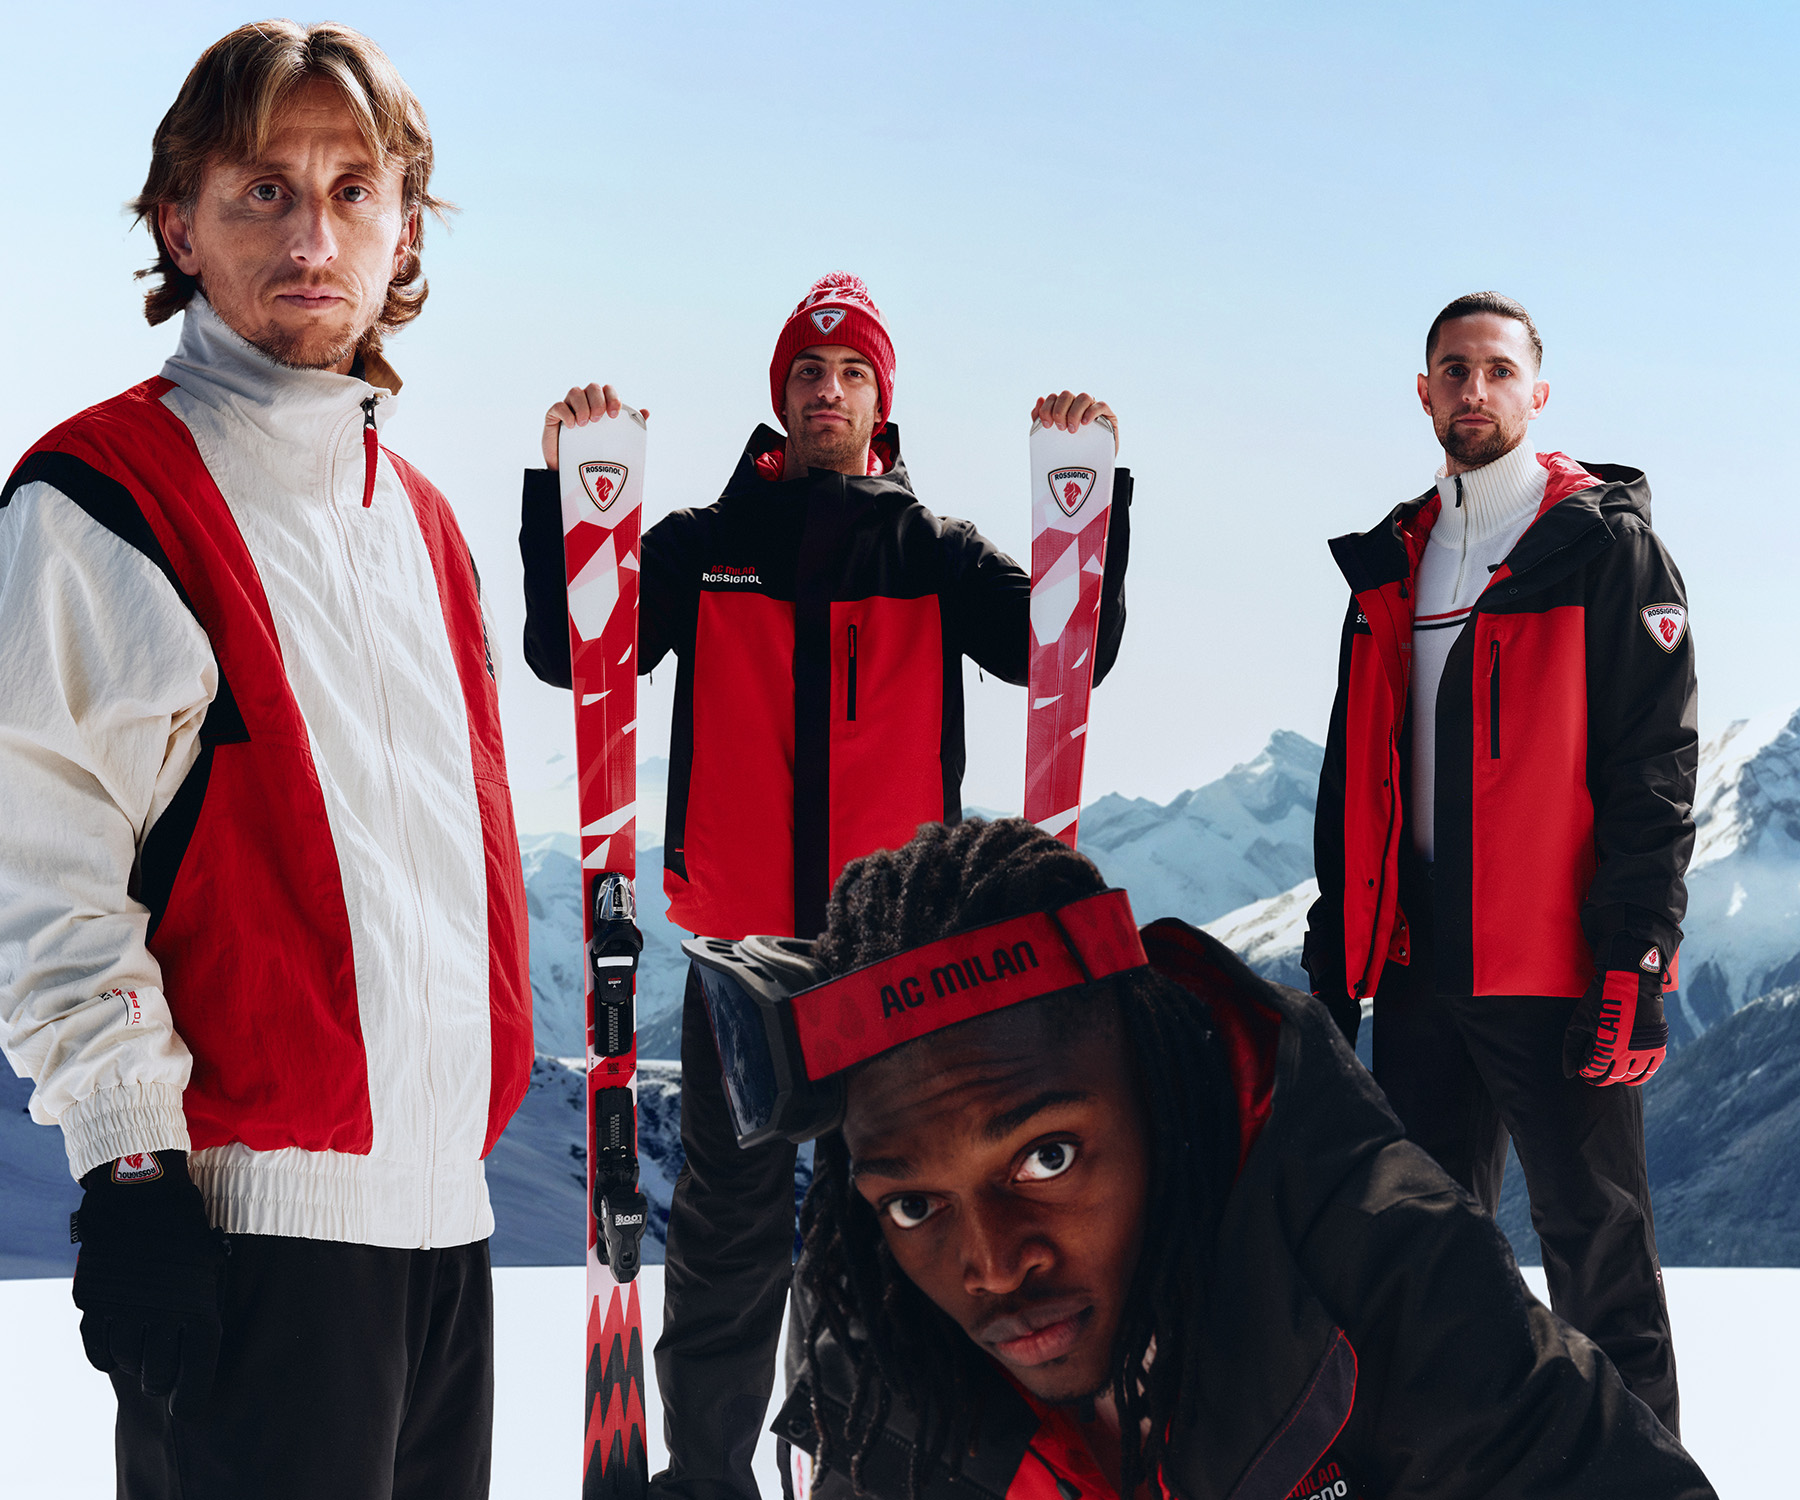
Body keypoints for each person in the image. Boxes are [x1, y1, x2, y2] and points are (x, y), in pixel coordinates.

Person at [0, 22, 529, 1499]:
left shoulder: (422, 522)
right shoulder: (104, 499)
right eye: (262, 191)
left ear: (404, 224)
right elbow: (38, 869)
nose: (315, 233)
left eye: (354, 190)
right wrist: (130, 1166)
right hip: (249, 1242)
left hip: (447, 1242)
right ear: (179, 219)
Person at [519, 271, 1131, 1500]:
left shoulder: (935, 553)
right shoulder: (703, 545)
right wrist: (563, 492)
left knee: (883, 1225)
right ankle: (708, 1476)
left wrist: (1093, 499)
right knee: (727, 1232)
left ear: (880, 402)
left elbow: (1066, 652)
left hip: (892, 961)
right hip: (740, 950)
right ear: (780, 397)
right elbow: (572, 651)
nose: (828, 391)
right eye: (809, 371)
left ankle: (868, 1471)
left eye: (851, 375)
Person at [718, 817, 1715, 1500]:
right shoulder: (878, 1362)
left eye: (1048, 1156)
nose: (989, 1263)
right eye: (912, 1206)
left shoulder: (1372, 1264)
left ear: (1161, 1098)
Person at [1301, 291, 1696, 1433]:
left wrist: (1636, 955)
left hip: (1557, 969)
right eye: (1453, 370)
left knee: (1599, 1260)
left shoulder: (1602, 548)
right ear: (1424, 392)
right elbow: (1356, 781)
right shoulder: (1396, 565)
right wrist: (1338, 962)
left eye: (1497, 370)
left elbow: (1654, 771)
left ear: (1538, 391)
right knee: (1425, 1268)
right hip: (1421, 974)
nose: (1475, 390)